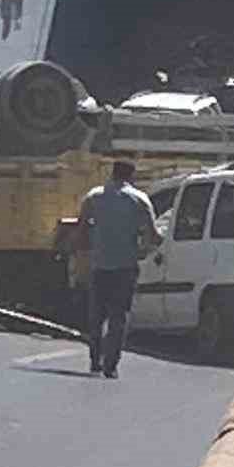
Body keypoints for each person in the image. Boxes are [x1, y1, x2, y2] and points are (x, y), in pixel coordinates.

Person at [75, 159, 158, 379]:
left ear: (112, 174)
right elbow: (153, 235)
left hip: (99, 265)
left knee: (96, 315)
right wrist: (146, 250)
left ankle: (95, 359)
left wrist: (83, 255)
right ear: (131, 176)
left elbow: (81, 230)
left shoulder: (94, 197)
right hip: (126, 267)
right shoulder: (140, 199)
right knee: (118, 316)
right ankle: (111, 364)